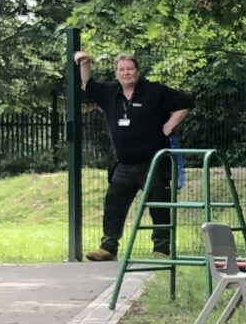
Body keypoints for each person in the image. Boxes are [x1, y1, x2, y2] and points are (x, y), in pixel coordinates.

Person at [76, 50, 193, 261]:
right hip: (124, 163)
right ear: (116, 73)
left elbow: (186, 102)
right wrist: (84, 62)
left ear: (137, 71)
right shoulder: (109, 92)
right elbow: (88, 85)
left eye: (130, 69)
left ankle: (162, 249)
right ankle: (108, 247)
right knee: (114, 204)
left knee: (159, 205)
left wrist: (169, 125)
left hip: (153, 162)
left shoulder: (154, 91)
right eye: (122, 69)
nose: (126, 73)